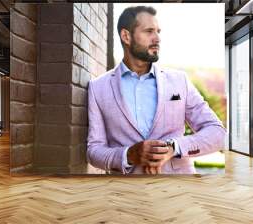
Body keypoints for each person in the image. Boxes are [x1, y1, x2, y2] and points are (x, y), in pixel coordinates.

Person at [86, 6, 226, 174]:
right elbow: (93, 151)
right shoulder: (98, 87)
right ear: (126, 36)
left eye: (158, 31)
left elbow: (218, 133)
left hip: (180, 190)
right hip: (125, 192)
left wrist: (174, 147)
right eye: (149, 31)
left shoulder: (179, 81)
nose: (157, 38)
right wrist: (128, 155)